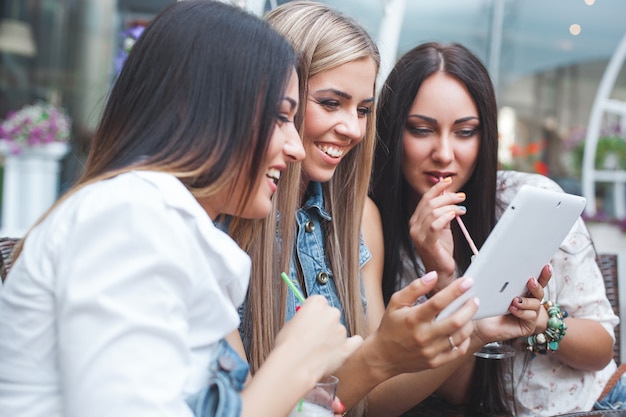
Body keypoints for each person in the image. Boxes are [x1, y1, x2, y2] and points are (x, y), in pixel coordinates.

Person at [0, 2, 363, 417]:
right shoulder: (129, 217)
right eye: (281, 117)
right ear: (207, 110)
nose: (296, 148)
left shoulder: (161, 224)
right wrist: (295, 365)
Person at [235, 3, 548, 417]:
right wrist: (380, 355)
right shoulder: (223, 227)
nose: (353, 129)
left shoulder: (359, 218)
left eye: (363, 109)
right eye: (331, 103)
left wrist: (475, 332)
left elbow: (374, 401)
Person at [369, 41, 619, 416]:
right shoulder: (379, 231)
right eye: (422, 130)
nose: (444, 153)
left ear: (485, 136)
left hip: (598, 405)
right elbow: (459, 391)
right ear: (392, 131)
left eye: (465, 132)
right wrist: (443, 276)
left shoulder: (530, 201)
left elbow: (602, 349)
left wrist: (541, 321)